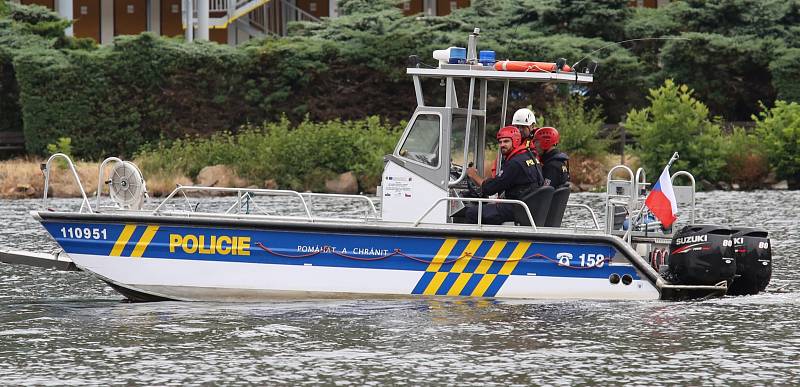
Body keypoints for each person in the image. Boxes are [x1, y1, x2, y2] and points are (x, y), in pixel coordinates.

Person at [464, 126, 544, 224]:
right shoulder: (530, 156)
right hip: (528, 206)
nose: (502, 145)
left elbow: (490, 189)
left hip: (517, 208)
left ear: (515, 141)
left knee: (472, 212)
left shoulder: (515, 163)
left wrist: (473, 175)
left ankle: (476, 239)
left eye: (506, 141)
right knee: (488, 207)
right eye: (500, 142)